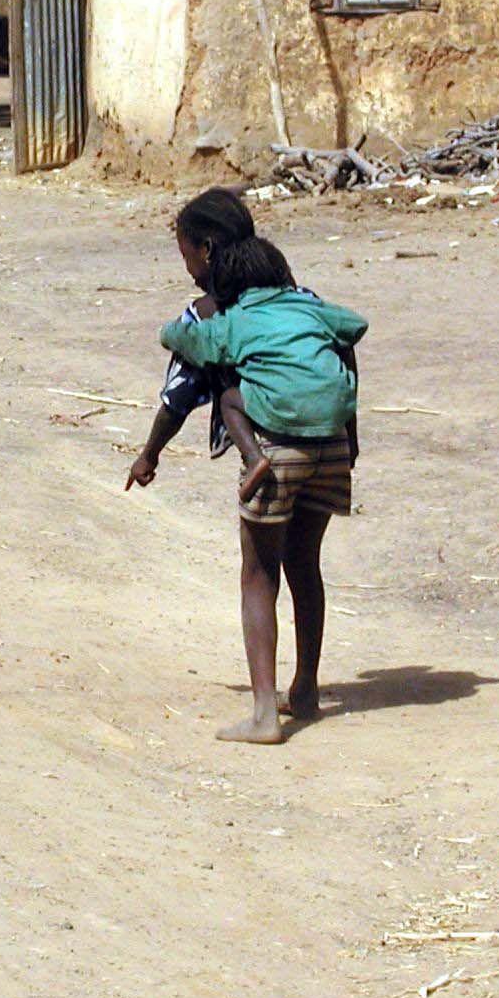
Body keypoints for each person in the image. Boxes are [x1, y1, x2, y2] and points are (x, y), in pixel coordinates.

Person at [158, 235, 367, 745]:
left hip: (276, 450)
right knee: (305, 565)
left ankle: (263, 716)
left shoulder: (235, 321)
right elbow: (355, 326)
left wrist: (191, 319)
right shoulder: (309, 308)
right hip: (333, 448)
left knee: (258, 574)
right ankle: (307, 691)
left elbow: (180, 338)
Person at [125, 188, 257, 494]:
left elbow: (177, 400)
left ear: (206, 249)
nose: (187, 269)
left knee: (261, 542)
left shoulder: (204, 317)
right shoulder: (301, 301)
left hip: (271, 452)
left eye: (186, 255)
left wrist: (148, 457)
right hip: (332, 447)